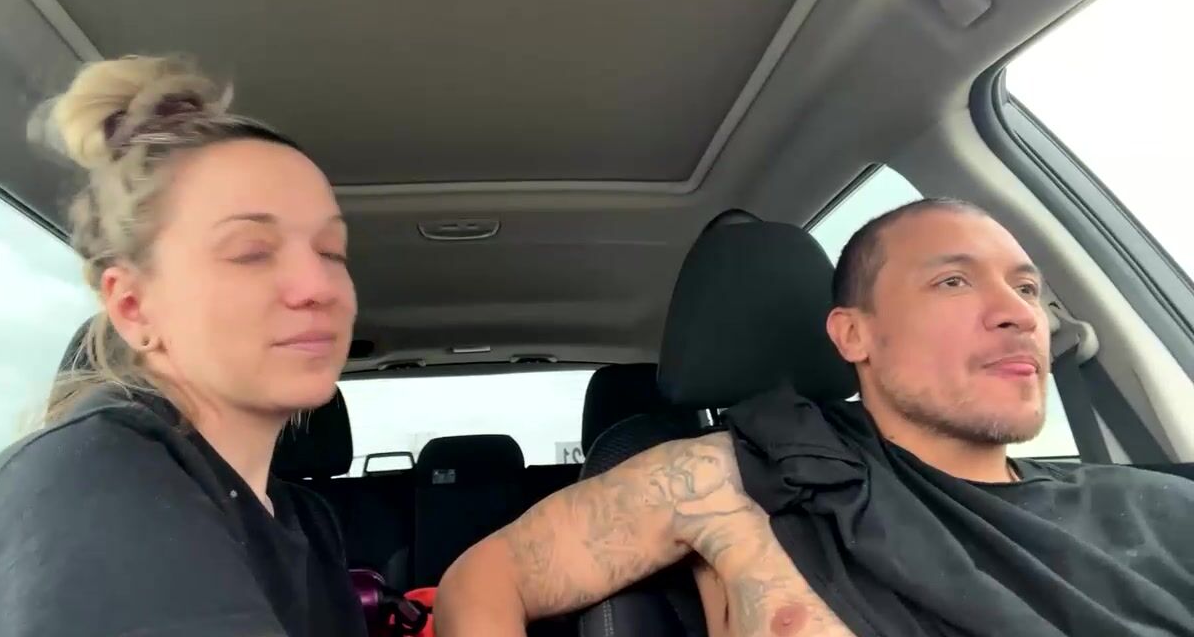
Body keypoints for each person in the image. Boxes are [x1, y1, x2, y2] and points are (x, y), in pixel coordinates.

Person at [435, 198, 1194, 636]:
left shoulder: (1159, 509)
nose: (1018, 314)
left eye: (1027, 289)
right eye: (954, 282)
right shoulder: (731, 475)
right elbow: (484, 577)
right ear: (852, 335)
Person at [0, 56, 368, 636]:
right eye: (251, 252)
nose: (318, 286)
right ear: (132, 306)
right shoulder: (97, 498)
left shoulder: (301, 521)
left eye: (331, 251)